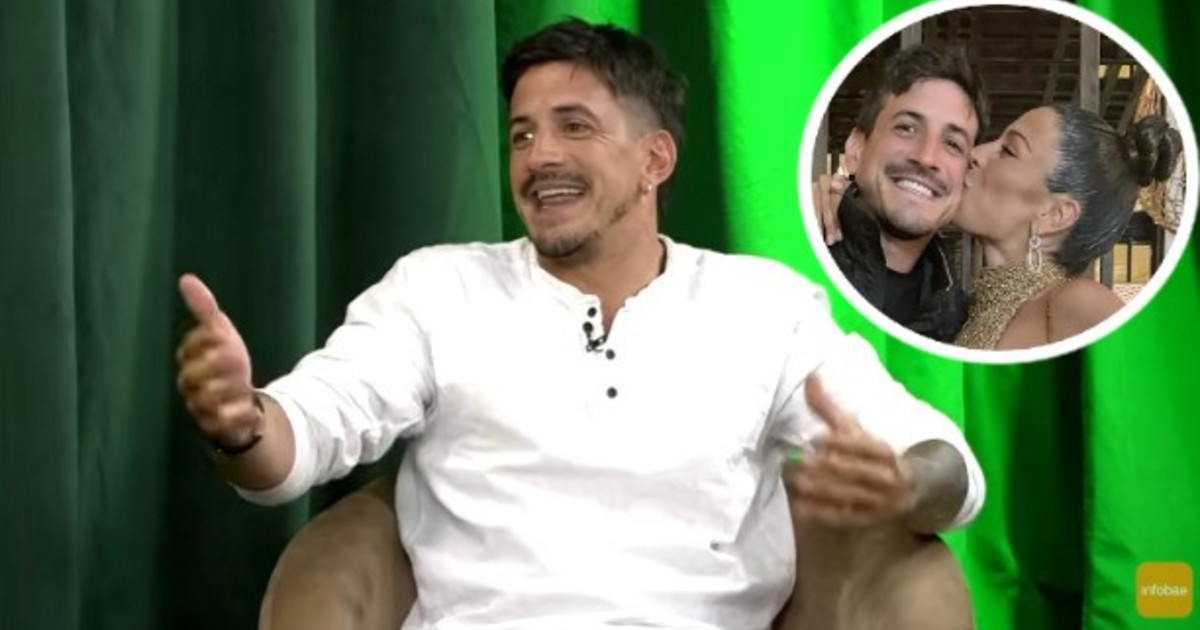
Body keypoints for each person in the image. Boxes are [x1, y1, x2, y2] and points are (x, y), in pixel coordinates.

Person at [175, 19, 985, 629]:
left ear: (654, 161)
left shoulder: (763, 308)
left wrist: (906, 484)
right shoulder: (438, 289)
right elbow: (304, 436)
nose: (539, 156)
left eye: (575, 127)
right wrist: (246, 423)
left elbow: (942, 460)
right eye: (522, 133)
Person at [949, 104, 1183, 349]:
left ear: (1055, 215)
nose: (975, 153)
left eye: (1008, 151)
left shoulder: (1078, 304)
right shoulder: (968, 313)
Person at [815, 44, 989, 343]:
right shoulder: (791, 251)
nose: (927, 157)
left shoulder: (963, 331)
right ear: (856, 149)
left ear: (965, 180)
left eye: (953, 144)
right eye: (907, 128)